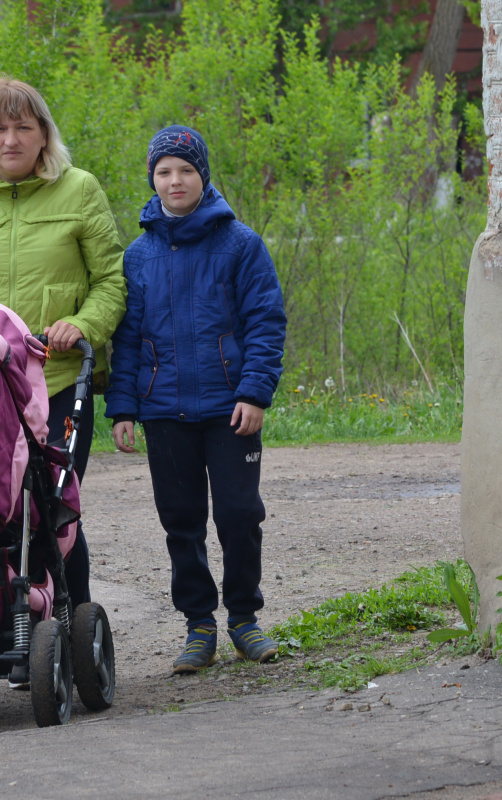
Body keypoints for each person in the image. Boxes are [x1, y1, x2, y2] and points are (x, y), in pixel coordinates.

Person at [0, 76, 126, 609]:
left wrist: (82, 325)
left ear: (43, 136)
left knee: (53, 504)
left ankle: (73, 627)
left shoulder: (79, 189)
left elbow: (112, 281)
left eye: (22, 127)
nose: (10, 139)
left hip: (56, 381)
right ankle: (1, 623)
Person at [105, 125, 287, 674]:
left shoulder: (241, 245)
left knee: (238, 516)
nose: (175, 180)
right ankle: (199, 626)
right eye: (164, 171)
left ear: (203, 175)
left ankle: (244, 620)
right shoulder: (137, 255)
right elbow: (129, 337)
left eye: (185, 170)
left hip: (231, 410)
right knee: (181, 521)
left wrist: (255, 392)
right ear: (152, 179)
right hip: (164, 412)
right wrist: (123, 408)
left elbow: (266, 322)